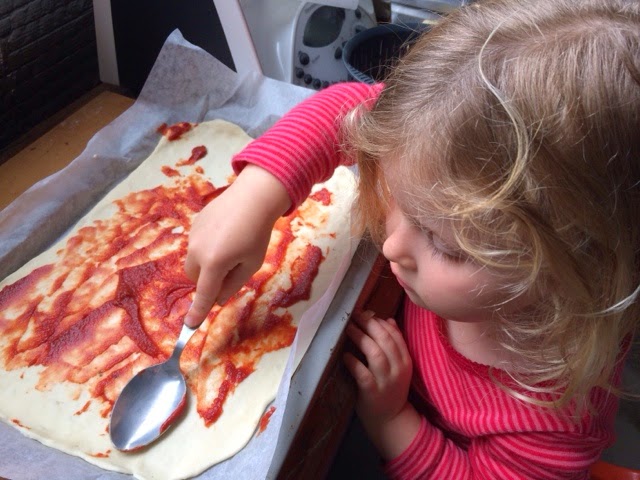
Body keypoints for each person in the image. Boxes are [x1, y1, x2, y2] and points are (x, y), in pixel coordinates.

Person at [184, 0, 640, 477]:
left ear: (572, 277)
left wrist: (391, 420)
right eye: (397, 198)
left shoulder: (550, 422)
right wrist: (256, 194)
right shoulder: (446, 137)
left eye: (445, 246)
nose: (391, 247)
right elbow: (346, 109)